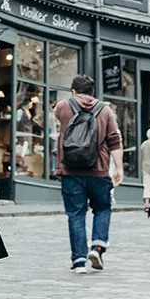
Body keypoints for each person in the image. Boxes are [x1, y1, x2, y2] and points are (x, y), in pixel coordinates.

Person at [54, 73, 122, 273]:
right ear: (93, 92)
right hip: (99, 170)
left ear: (73, 91)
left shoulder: (63, 106)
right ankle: (97, 246)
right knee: (102, 208)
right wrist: (118, 168)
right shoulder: (106, 110)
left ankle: (79, 261)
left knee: (76, 214)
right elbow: (115, 141)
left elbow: (56, 120)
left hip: (70, 170)